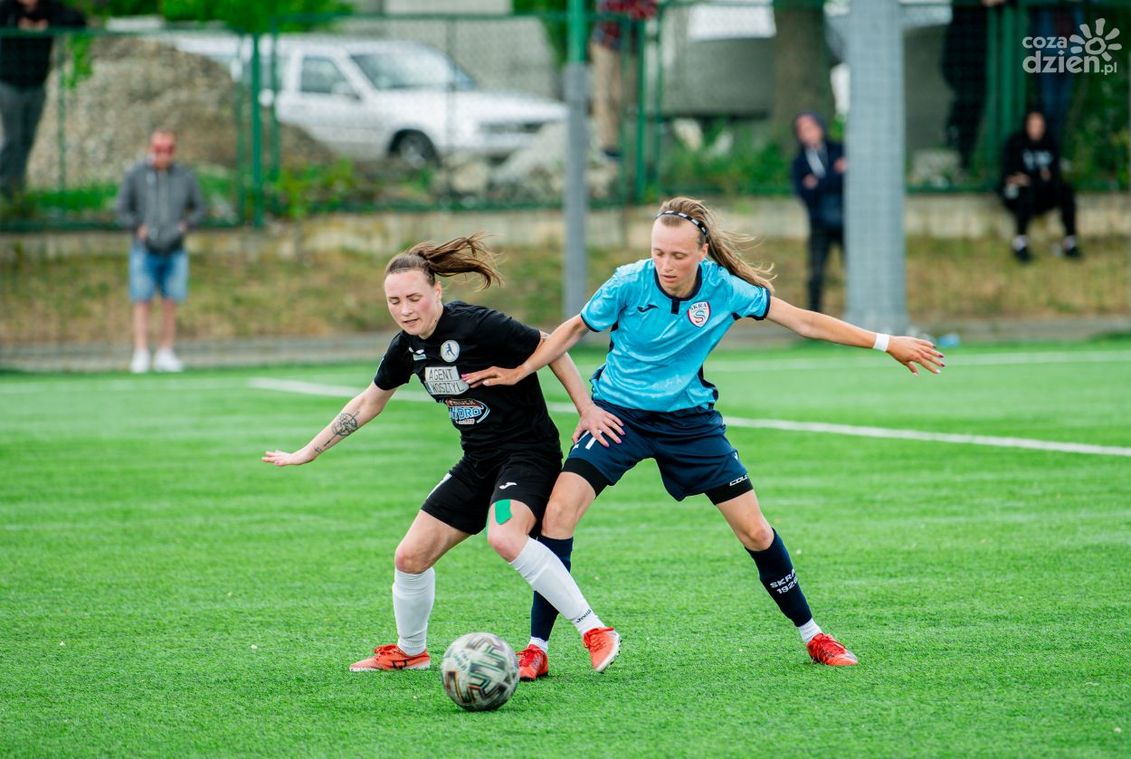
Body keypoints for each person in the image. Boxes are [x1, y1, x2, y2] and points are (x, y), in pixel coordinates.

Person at [464, 197, 945, 669]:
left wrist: (886, 343)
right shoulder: (627, 283)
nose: (666, 265)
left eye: (677, 255)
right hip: (617, 417)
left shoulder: (724, 288)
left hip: (690, 425)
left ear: (702, 253)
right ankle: (538, 648)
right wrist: (525, 372)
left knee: (755, 530)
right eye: (657, 252)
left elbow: (803, 321)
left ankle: (814, 635)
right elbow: (570, 330)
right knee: (558, 516)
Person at [262, 236, 625, 679]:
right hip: (478, 462)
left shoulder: (478, 326)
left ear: (437, 292)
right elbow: (367, 403)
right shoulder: (405, 347)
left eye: (414, 297)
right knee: (409, 557)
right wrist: (307, 452)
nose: (405, 309)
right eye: (394, 301)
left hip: (527, 455)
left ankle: (594, 630)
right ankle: (411, 650)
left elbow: (551, 346)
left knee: (505, 538)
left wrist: (586, 408)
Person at [116, 129, 205, 373]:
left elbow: (199, 208)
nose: (163, 155)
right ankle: (141, 351)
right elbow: (122, 208)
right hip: (144, 249)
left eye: (168, 150)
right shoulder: (135, 175)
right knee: (142, 301)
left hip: (175, 248)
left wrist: (185, 226)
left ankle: (166, 351)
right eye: (158, 149)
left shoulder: (185, 176)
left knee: (170, 302)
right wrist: (138, 228)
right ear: (150, 149)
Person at [0, 0, 85, 198]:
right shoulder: (7, 8)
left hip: (36, 83)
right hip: (10, 83)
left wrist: (47, 25)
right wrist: (17, 25)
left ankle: (15, 188)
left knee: (26, 139)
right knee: (13, 138)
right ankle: (4, 182)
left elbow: (77, 20)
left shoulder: (50, 8)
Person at [998, 110, 1079, 263]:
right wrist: (1036, 178)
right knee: (1026, 192)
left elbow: (1054, 175)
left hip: (1043, 193)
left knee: (1066, 190)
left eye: (1040, 126)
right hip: (1016, 194)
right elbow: (1011, 177)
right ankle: (1020, 245)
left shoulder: (1050, 143)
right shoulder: (1015, 142)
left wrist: (1030, 178)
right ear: (1026, 125)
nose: (1036, 129)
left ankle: (1070, 243)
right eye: (1033, 125)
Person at [940, 0, 1004, 171]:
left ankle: (964, 155)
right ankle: (953, 131)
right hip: (958, 55)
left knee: (975, 102)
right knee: (967, 97)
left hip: (979, 60)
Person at [790, 112, 844, 313]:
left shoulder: (838, 149)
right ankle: (814, 316)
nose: (808, 134)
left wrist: (818, 181)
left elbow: (845, 182)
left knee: (856, 270)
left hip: (845, 221)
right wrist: (832, 176)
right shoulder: (799, 162)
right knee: (816, 272)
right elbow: (804, 193)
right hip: (819, 222)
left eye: (811, 128)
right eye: (802, 130)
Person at [591, 0, 657, 161]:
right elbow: (609, 9)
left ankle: (618, 142)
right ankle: (606, 144)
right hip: (606, 40)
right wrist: (631, 12)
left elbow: (649, 10)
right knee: (603, 93)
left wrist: (631, 13)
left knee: (622, 95)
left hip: (630, 42)